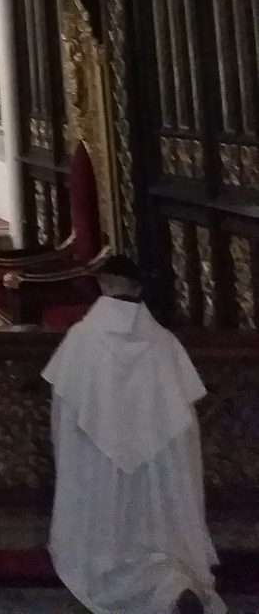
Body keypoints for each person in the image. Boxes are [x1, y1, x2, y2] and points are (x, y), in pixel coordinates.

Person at [43, 255, 223, 614]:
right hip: (156, 466)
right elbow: (184, 423)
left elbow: (64, 415)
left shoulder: (82, 339)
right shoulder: (164, 342)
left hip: (98, 464)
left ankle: (119, 578)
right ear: (138, 289)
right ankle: (172, 585)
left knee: (104, 537)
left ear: (103, 285)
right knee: (158, 531)